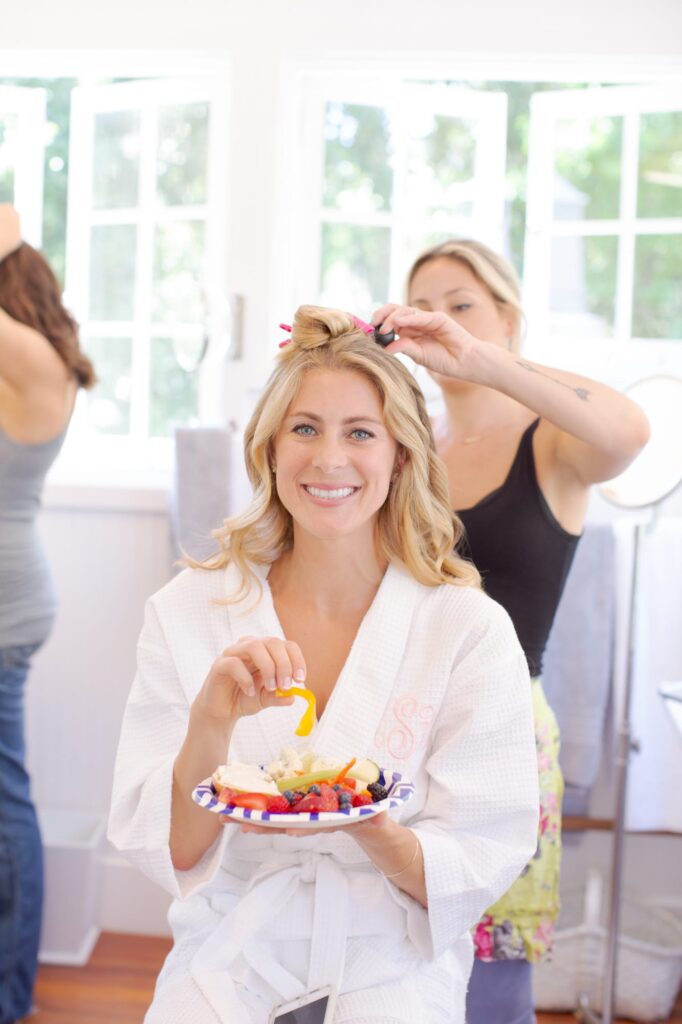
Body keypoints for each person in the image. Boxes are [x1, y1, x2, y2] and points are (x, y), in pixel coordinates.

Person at [108, 304, 541, 1024]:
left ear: (401, 454)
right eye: (304, 428)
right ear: (270, 448)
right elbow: (174, 852)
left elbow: (481, 851)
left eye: (360, 433)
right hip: (230, 955)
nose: (329, 459)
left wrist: (371, 827)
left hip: (389, 957)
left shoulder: (466, 629)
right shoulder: (190, 611)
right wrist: (212, 720)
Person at [371, 239, 650, 1024]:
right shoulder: (407, 446)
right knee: (391, 968)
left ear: (507, 319)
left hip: (500, 740)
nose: (441, 321)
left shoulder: (553, 444)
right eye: (424, 305)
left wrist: (486, 364)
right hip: (395, 730)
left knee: (490, 990)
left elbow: (631, 431)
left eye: (460, 304)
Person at [0, 204, 96, 1024]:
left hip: (4, 610)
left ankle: (11, 998)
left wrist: (6, 229)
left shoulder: (34, 363)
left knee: (5, 804)